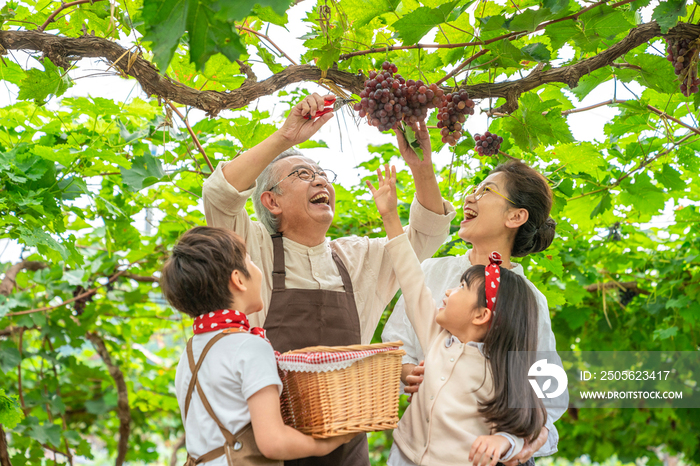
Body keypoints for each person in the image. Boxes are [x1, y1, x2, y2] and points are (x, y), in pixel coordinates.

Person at [201, 93, 456, 466]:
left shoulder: (357, 258)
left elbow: (426, 235)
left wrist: (422, 167)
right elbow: (219, 195)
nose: (320, 179)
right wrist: (286, 137)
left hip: (347, 447)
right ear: (272, 201)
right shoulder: (250, 247)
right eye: (303, 174)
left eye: (322, 174)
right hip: (268, 445)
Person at [382, 159, 568, 464]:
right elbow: (396, 345)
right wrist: (406, 371)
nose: (470, 197)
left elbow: (548, 395)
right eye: (474, 189)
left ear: (516, 216)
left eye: (486, 190)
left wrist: (515, 441)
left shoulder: (528, 301)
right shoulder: (432, 270)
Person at [162, 227, 355, 465]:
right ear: (239, 279)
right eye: (250, 261)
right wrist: (327, 444)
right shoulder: (249, 347)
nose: (258, 269)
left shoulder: (190, 352)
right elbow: (273, 442)